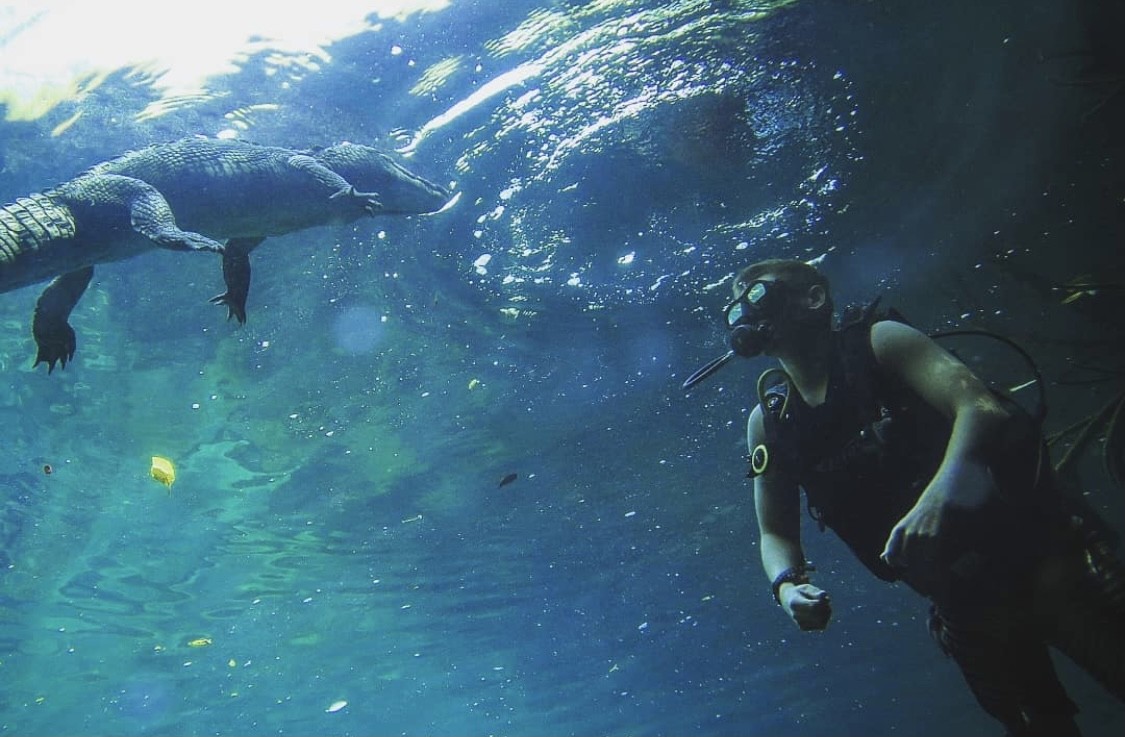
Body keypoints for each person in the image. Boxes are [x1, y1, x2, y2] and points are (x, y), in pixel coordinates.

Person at [708, 258, 1125, 736]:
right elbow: (775, 531)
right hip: (966, 606)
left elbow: (980, 406)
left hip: (1050, 561)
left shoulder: (881, 342)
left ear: (814, 297)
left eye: (759, 295)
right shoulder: (770, 422)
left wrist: (938, 496)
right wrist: (786, 587)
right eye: (736, 306)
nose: (746, 312)